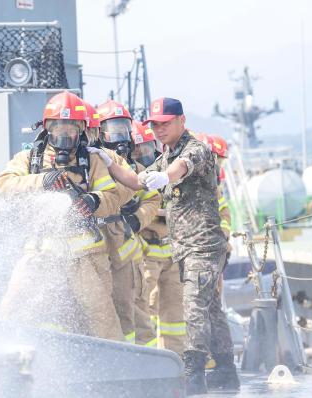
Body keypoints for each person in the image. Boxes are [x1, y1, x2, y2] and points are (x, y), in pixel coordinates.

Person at [0, 91, 134, 341]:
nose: (65, 134)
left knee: (102, 320)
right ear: (47, 127)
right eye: (59, 126)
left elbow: (112, 197)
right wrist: (42, 180)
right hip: (40, 255)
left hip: (87, 260)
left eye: (71, 128)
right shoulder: (29, 159)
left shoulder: (92, 160)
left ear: (81, 129)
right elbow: (5, 186)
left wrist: (93, 201)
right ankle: (10, 359)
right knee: (14, 311)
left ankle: (115, 371)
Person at [138, 98, 240, 395]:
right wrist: (106, 163)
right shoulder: (166, 155)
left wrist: (164, 176)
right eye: (155, 125)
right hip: (185, 248)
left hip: (203, 247)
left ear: (181, 121)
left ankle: (193, 375)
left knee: (193, 306)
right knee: (211, 310)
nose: (159, 129)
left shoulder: (197, 149)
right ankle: (226, 370)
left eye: (165, 123)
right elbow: (138, 179)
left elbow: (182, 168)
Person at [88, 100, 160, 344]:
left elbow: (152, 197)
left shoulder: (132, 168)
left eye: (123, 129)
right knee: (99, 310)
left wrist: (137, 219)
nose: (119, 136)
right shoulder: (91, 162)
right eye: (112, 129)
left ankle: (142, 364)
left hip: (126, 251)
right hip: (94, 248)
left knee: (133, 310)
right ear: (99, 131)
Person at [132, 123, 187, 353]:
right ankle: (150, 360)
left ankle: (177, 360)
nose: (144, 155)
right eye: (138, 150)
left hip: (172, 253)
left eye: (147, 149)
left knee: (175, 314)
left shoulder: (165, 171)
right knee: (146, 309)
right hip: (147, 255)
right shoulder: (132, 177)